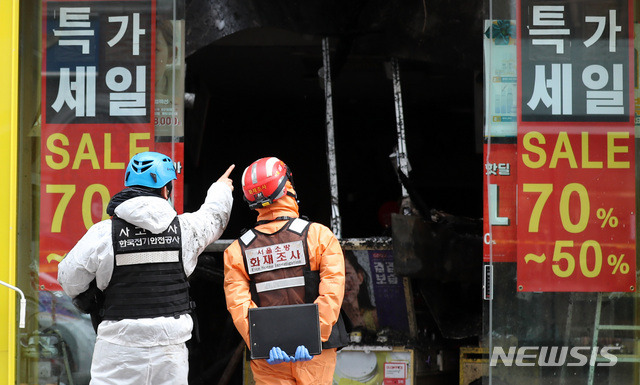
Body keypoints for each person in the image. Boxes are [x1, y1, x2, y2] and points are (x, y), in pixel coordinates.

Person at [57, 151, 234, 385]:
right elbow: (214, 216)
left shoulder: (103, 233)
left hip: (117, 351)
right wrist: (221, 188)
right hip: (170, 352)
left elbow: (69, 280)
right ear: (165, 190)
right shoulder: (187, 230)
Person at [223, 157, 349, 385]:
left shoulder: (236, 250)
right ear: (286, 186)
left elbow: (239, 306)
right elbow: (332, 293)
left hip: (269, 356)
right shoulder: (319, 236)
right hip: (315, 354)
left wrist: (262, 342)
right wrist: (312, 338)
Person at [342, 250, 379, 334]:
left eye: (346, 274)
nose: (343, 282)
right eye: (336, 275)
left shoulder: (375, 317)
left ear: (360, 276)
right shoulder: (330, 321)